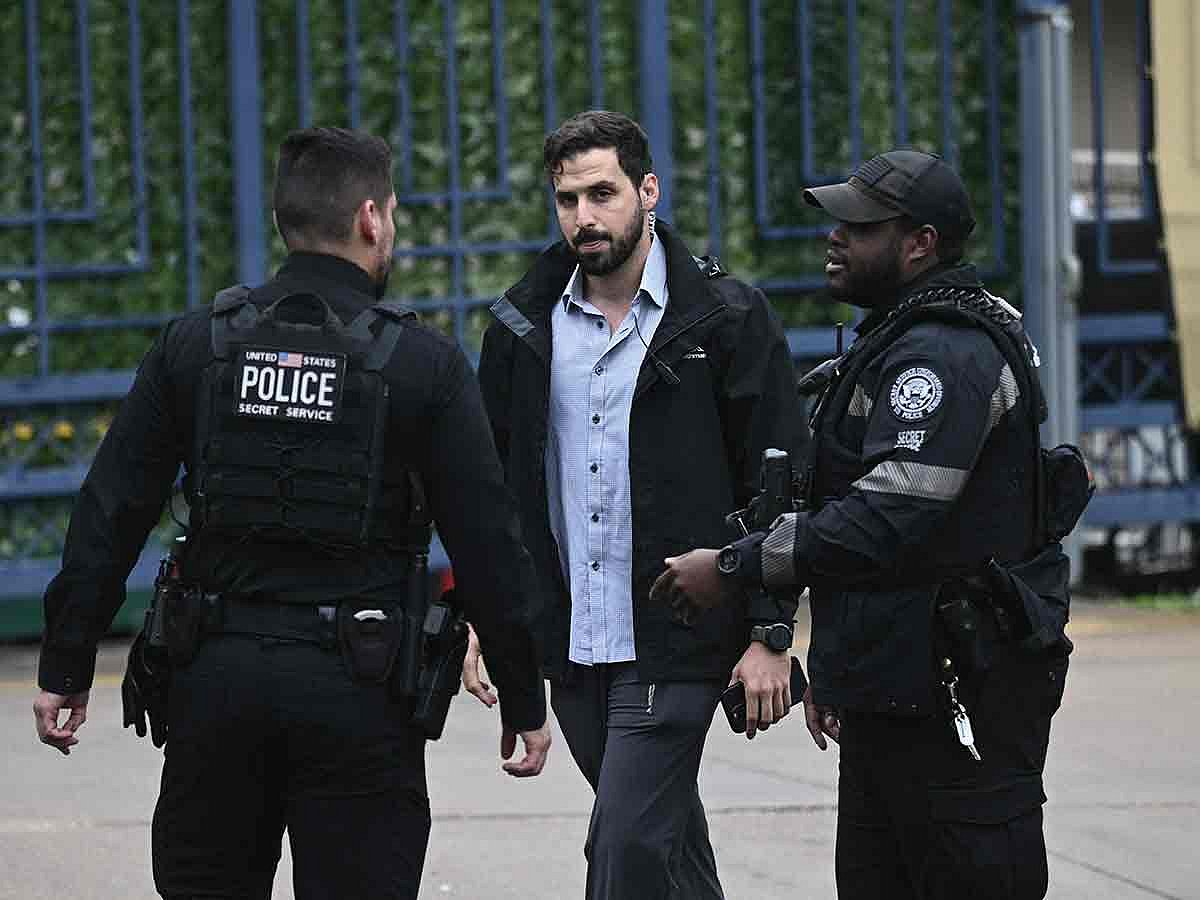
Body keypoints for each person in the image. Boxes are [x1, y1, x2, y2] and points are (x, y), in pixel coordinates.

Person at [32, 126, 551, 900]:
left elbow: (111, 509)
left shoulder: (195, 345)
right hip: (361, 692)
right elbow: (489, 545)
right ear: (372, 219)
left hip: (215, 683)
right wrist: (522, 695)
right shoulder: (421, 365)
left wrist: (67, 663)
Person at [656, 150, 1076, 899]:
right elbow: (864, 532)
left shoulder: (944, 356)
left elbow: (886, 519)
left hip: (957, 708)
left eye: (860, 225)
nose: (836, 238)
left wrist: (735, 567)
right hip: (896, 698)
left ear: (920, 244)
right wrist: (846, 670)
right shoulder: (899, 338)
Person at [461, 109, 804, 900]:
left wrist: (772, 630)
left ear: (648, 191)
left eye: (603, 194)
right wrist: (492, 616)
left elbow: (783, 482)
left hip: (679, 634)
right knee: (667, 847)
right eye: (568, 200)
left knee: (623, 844)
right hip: (573, 641)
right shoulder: (521, 327)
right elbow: (493, 495)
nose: (585, 217)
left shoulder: (726, 319)